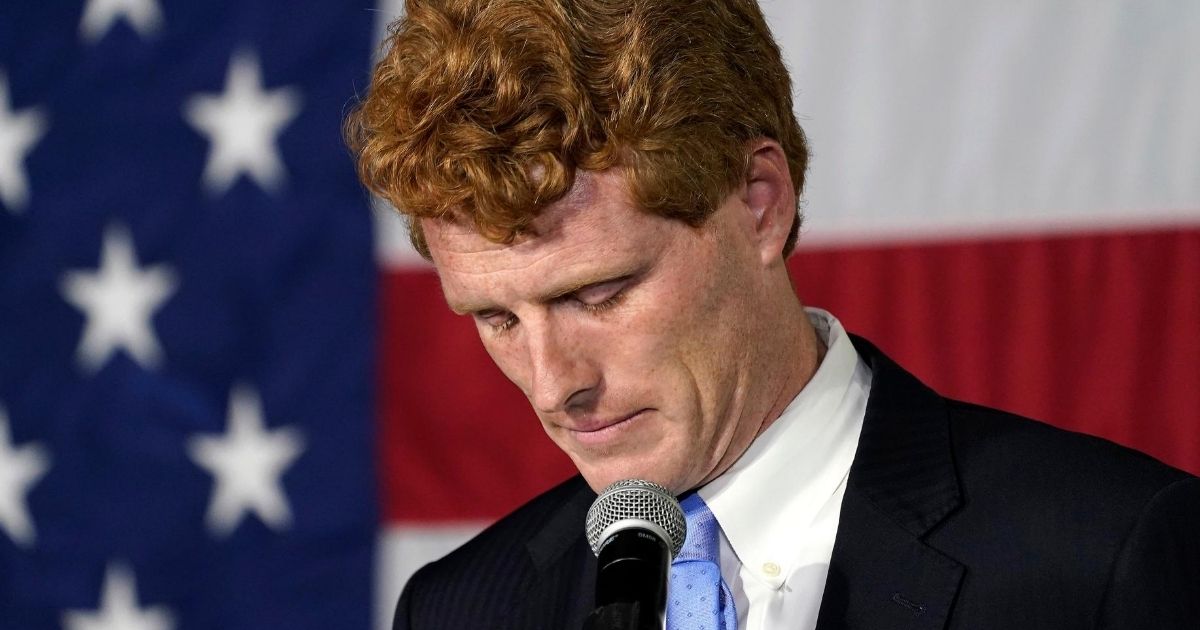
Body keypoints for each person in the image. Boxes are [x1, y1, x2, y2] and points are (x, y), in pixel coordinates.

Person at [345, 1, 1200, 628]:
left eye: (595, 294)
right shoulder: (462, 610)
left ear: (759, 203)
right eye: (496, 318)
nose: (554, 385)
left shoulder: (1108, 559)